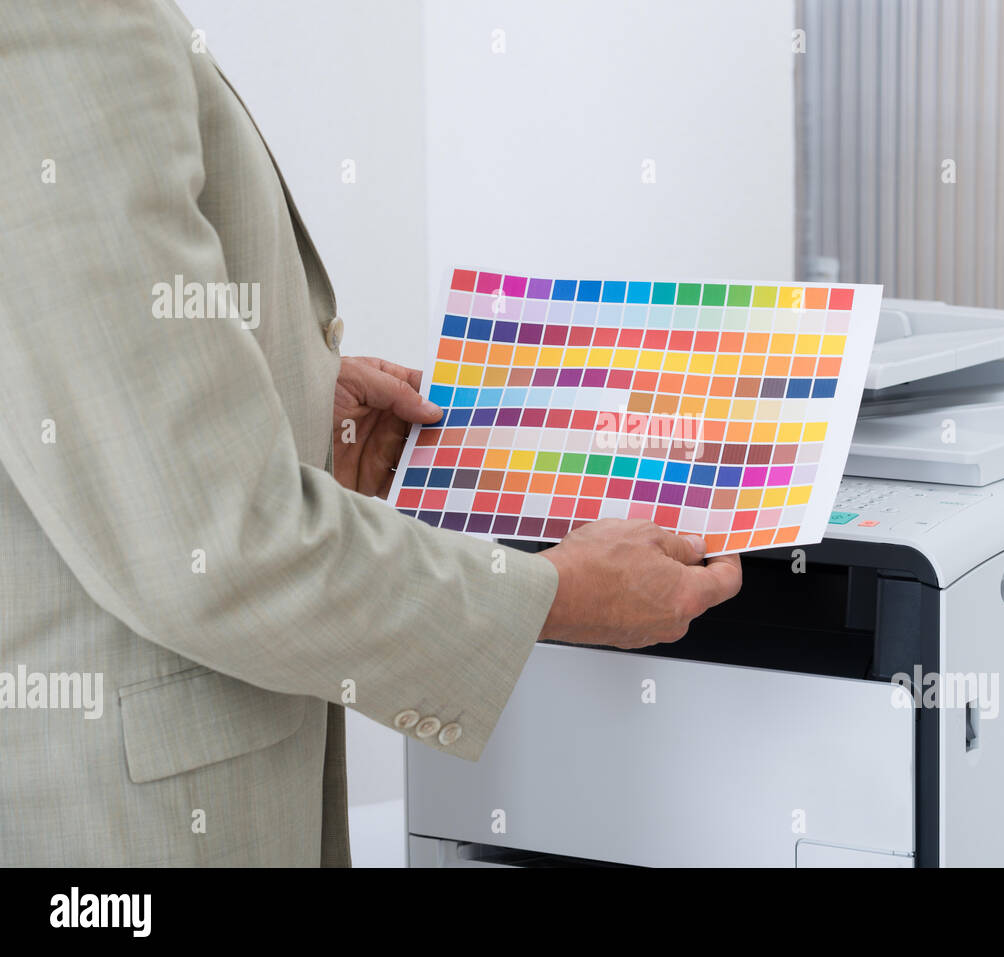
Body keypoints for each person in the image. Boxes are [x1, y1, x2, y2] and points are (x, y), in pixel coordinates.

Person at [0, 0, 741, 866]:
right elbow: (216, 545)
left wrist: (291, 391)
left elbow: (70, 373)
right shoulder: (64, 20)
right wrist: (552, 594)